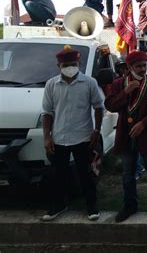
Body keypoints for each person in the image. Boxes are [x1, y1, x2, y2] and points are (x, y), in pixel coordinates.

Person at [41, 45, 104, 221]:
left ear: (79, 63)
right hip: (59, 137)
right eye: (65, 64)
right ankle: (58, 206)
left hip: (83, 136)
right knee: (57, 175)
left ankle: (92, 207)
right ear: (58, 66)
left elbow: (98, 107)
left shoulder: (89, 83)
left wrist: (96, 131)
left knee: (85, 175)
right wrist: (47, 137)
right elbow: (47, 112)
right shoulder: (51, 84)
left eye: (73, 63)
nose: (69, 67)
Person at [104, 50, 147, 223]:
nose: (142, 69)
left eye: (144, 65)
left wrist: (144, 123)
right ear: (129, 67)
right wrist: (125, 92)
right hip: (126, 135)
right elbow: (110, 105)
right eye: (138, 66)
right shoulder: (119, 84)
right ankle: (130, 206)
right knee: (127, 175)